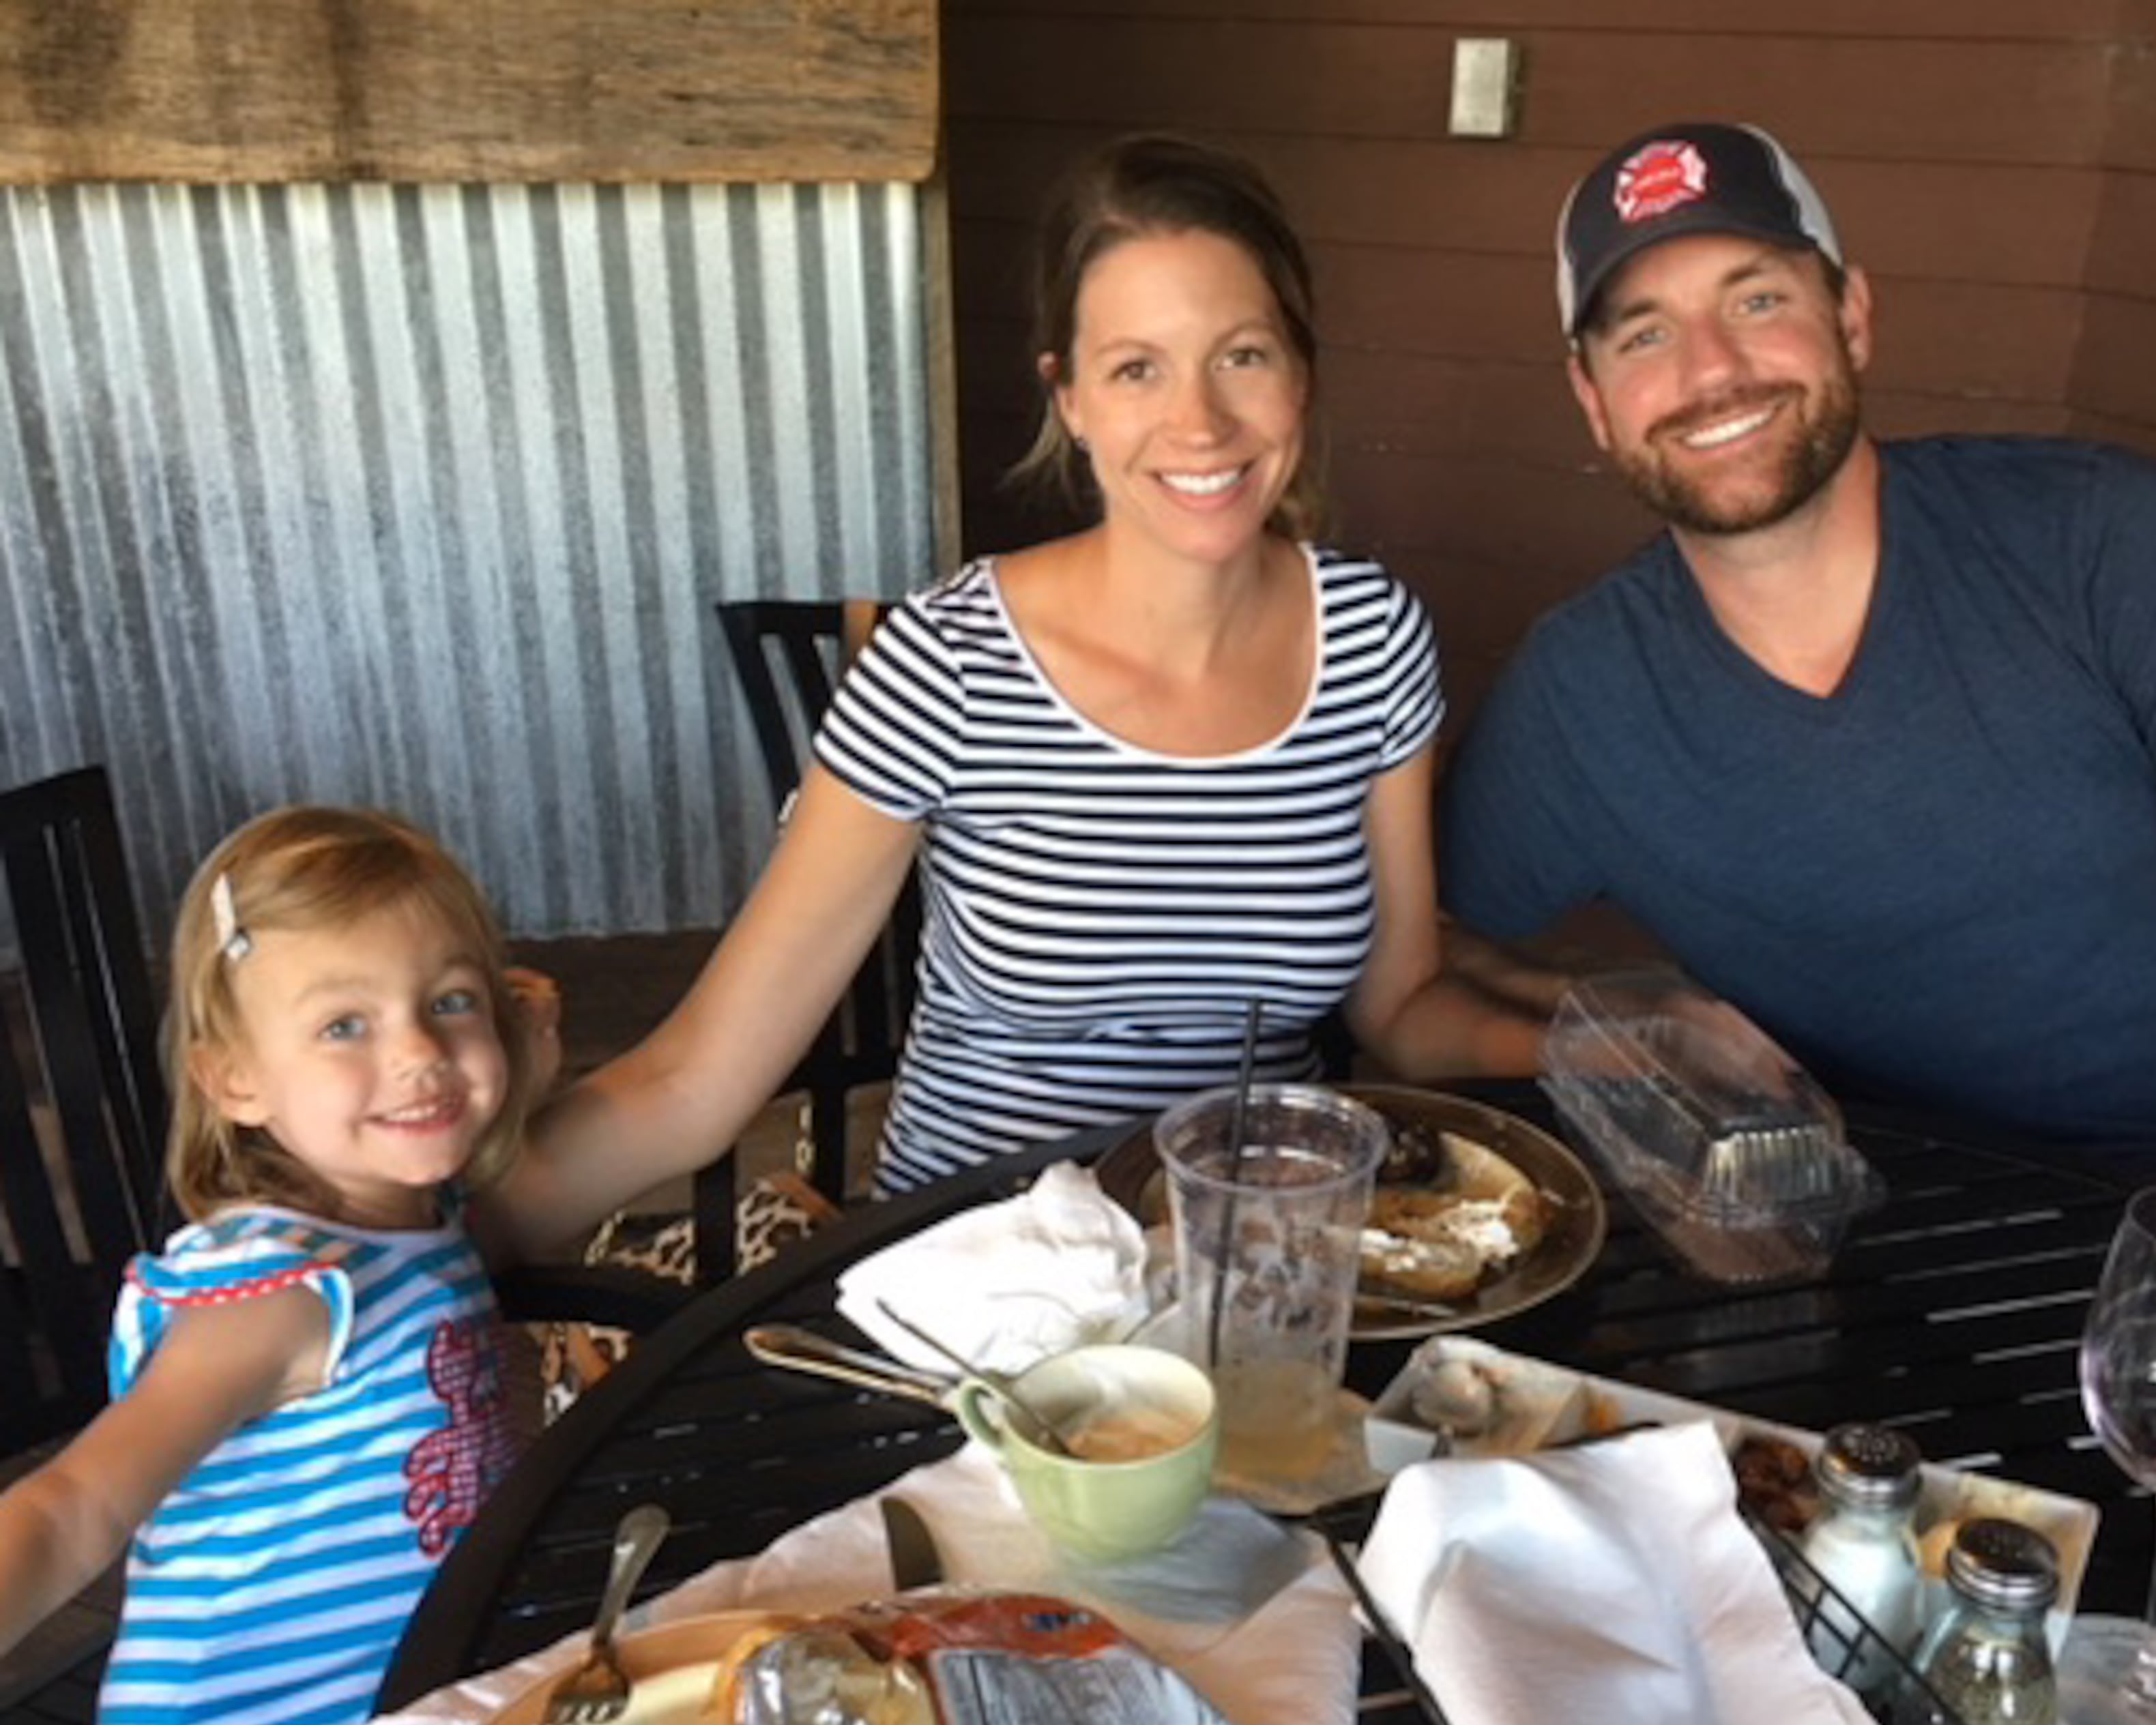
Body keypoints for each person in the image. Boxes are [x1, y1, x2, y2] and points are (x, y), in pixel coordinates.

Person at [1437, 121, 2156, 1324]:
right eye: (1645, 332)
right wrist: (1627, 1013)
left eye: (1757, 299)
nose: (1712, 369)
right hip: (1881, 1237)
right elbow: (1420, 945)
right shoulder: (1582, 688)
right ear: (1593, 400)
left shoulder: (2099, 542)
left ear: (1853, 317)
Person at [495, 133, 1540, 1256]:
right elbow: (697, 1079)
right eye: (1138, 367)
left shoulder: (1373, 640)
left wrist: (1596, 1040)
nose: (1200, 423)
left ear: (1302, 373)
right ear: (1072, 396)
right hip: (974, 1279)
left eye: (1242, 355)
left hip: (1245, 1275)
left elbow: (1399, 1009)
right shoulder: (945, 665)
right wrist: (407, 1245)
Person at [0, 808, 551, 1725]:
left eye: (448, 1000)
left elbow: (651, 1092)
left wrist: (517, 1063)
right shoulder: (282, 1291)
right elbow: (76, 1506)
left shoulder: (419, 1223)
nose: (414, 1053)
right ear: (232, 1077)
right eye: (344, 1023)